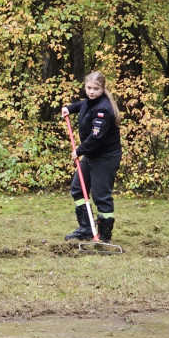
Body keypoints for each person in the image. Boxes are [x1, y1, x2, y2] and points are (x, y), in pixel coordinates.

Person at [60, 71, 122, 243]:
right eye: (89, 88)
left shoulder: (104, 109)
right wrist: (69, 108)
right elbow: (83, 105)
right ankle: (86, 228)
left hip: (105, 157)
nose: (91, 91)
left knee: (101, 196)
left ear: (103, 89)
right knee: (78, 189)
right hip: (91, 155)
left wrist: (79, 150)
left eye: (96, 89)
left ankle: (103, 235)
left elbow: (96, 138)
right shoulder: (90, 101)